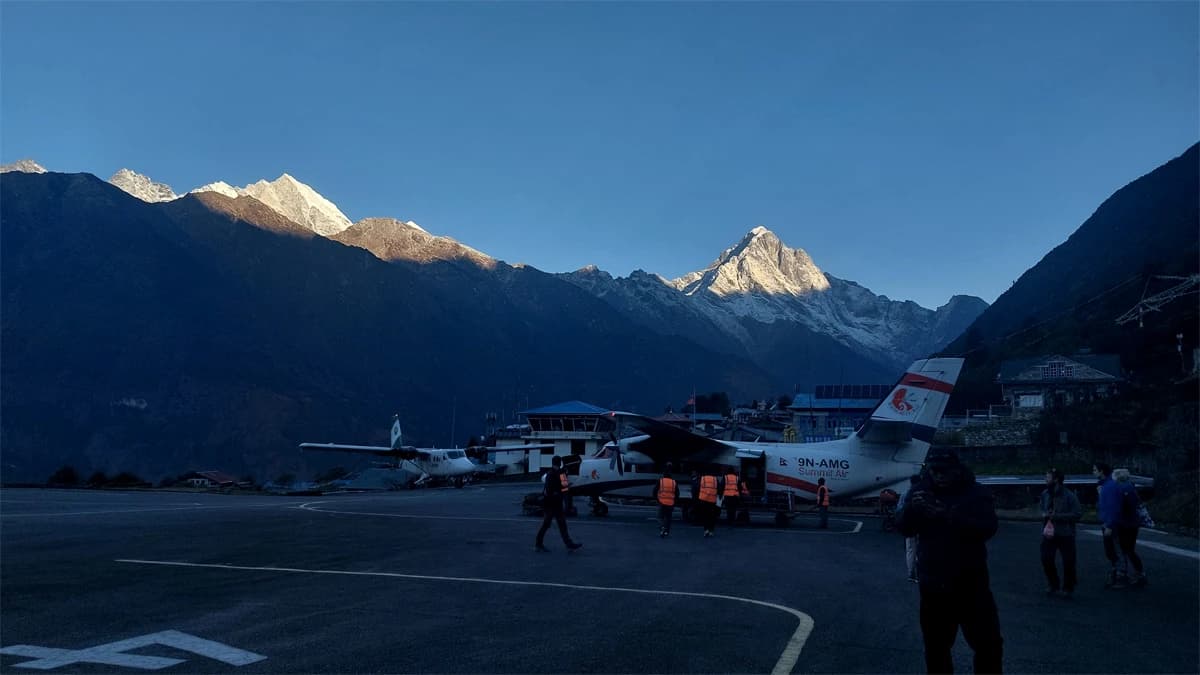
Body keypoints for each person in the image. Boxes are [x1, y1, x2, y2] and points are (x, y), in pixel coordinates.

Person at [896, 449, 1003, 674]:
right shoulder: (921, 491)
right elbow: (904, 528)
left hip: (971, 585)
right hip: (934, 587)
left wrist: (946, 514)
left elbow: (987, 527)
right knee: (936, 648)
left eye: (944, 471)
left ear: (957, 471)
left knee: (989, 646)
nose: (938, 476)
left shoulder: (975, 493)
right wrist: (911, 510)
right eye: (933, 471)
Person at [1039, 468, 1082, 598]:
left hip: (1066, 534)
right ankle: (1053, 584)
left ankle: (1068, 587)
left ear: (1056, 479)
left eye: (1048, 477)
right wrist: (1044, 514)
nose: (1045, 480)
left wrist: (1058, 516)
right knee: (1046, 559)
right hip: (1049, 533)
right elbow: (1041, 507)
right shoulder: (1045, 493)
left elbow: (1077, 514)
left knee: (1068, 561)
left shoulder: (1069, 495)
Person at [534, 456, 582, 552]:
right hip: (556, 503)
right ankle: (568, 544)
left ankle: (539, 544)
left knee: (548, 524)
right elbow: (564, 489)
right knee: (560, 524)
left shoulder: (549, 473)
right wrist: (567, 503)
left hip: (549, 503)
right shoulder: (561, 473)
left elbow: (549, 490)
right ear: (560, 463)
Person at [1111, 469, 1147, 587]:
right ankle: (1138, 573)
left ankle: (1136, 573)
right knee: (1128, 549)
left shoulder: (1124, 490)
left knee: (1127, 549)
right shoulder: (1130, 488)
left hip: (1126, 523)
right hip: (1130, 523)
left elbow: (1123, 507)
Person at [1094, 462, 1123, 587]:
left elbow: (1113, 507)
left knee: (1115, 551)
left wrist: (1109, 525)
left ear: (1101, 471)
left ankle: (1120, 576)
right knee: (1112, 551)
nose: (1093, 472)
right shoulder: (1106, 485)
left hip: (1110, 524)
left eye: (1095, 470)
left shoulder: (1109, 486)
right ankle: (1117, 575)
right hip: (1107, 522)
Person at [896, 474, 921, 582]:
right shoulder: (921, 494)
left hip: (908, 526)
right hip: (920, 526)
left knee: (910, 550)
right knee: (920, 550)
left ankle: (911, 573)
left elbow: (898, 509)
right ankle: (918, 572)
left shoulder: (905, 494)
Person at [653, 463, 680, 537]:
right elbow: (677, 493)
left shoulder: (660, 481)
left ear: (663, 475)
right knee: (668, 518)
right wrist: (674, 501)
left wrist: (657, 499)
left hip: (661, 502)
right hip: (670, 503)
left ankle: (662, 527)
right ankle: (666, 531)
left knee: (660, 517)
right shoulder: (674, 482)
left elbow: (655, 491)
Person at [696, 472, 720, 537]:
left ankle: (706, 530)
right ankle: (711, 531)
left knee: (705, 515)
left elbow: (697, 487)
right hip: (712, 500)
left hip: (703, 499)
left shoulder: (702, 478)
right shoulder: (715, 479)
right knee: (712, 516)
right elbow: (719, 488)